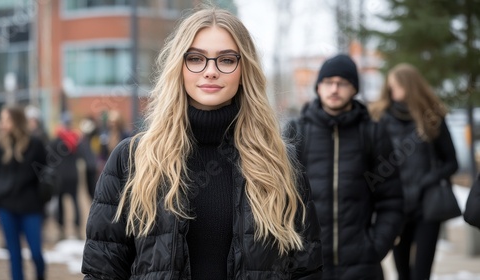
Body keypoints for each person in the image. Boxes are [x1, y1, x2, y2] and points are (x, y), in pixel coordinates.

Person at [82, 7, 323, 279]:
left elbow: (306, 269)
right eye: (196, 58)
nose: (210, 71)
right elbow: (102, 271)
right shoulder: (132, 160)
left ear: (245, 69)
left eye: (227, 60)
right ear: (179, 66)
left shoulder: (280, 162)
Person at [285, 54, 404, 279]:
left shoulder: (373, 133)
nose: (335, 88)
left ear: (354, 89)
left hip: (361, 266)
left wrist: (375, 247)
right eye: (328, 82)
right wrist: (293, 252)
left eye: (343, 83)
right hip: (307, 266)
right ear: (318, 87)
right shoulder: (296, 132)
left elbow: (392, 200)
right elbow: (279, 198)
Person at [369, 63, 458, 280]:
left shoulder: (431, 118)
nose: (392, 91)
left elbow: (451, 162)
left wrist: (428, 180)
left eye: (396, 86)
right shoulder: (380, 118)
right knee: (402, 272)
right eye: (390, 87)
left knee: (422, 273)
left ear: (409, 86)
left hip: (427, 207)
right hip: (396, 207)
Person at [0, 106, 46, 280]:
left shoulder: (35, 144)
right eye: (1, 119)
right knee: (14, 255)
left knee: (36, 252)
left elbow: (45, 174)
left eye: (6, 119)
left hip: (31, 207)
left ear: (17, 121)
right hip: (6, 207)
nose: (2, 124)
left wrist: (45, 200)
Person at [50, 112, 82, 240]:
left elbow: (50, 158)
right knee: (75, 202)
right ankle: (77, 229)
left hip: (60, 176)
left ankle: (61, 230)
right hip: (73, 175)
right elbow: (81, 155)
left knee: (60, 203)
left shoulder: (56, 139)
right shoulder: (76, 138)